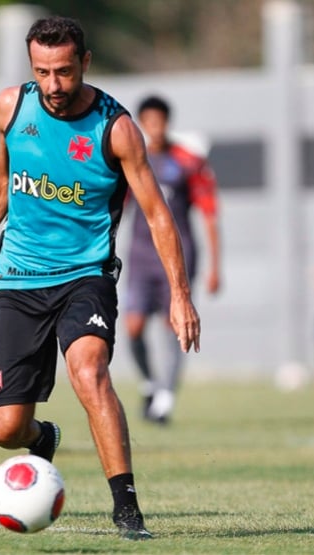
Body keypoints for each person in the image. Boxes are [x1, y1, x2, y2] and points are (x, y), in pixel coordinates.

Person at [0, 16, 201, 540]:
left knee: (90, 372)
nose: (54, 86)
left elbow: (156, 213)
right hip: (16, 278)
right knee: (5, 429)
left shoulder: (117, 128)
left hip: (86, 275)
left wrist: (181, 294)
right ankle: (44, 435)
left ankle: (127, 508)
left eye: (64, 71)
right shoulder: (12, 106)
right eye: (43, 72)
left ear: (85, 62)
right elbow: (0, 179)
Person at [125, 95, 221, 424]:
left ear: (168, 123)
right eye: (148, 122)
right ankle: (150, 382)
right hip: (139, 255)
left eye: (159, 121)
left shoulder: (188, 163)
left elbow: (209, 215)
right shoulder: (131, 158)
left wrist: (215, 267)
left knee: (173, 326)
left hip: (177, 256)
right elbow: (115, 207)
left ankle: (165, 397)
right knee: (133, 325)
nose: (154, 128)